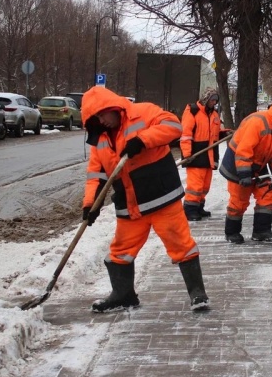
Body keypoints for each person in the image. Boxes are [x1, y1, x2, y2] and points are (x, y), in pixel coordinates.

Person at [81, 86, 209, 312]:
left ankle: (197, 293)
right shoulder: (100, 139)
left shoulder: (144, 112)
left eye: (102, 115)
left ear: (113, 107)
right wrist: (91, 204)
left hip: (161, 197)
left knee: (181, 245)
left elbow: (174, 127)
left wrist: (142, 140)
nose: (102, 121)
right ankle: (123, 295)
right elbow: (96, 175)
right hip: (130, 204)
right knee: (120, 251)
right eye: (96, 119)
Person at [219, 98, 272, 243]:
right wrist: (244, 174)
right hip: (237, 165)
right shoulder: (257, 122)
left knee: (266, 195)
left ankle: (261, 231)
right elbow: (244, 150)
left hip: (257, 166)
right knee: (239, 201)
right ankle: (232, 232)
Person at [180, 87, 230, 221]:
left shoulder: (214, 114)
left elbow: (214, 133)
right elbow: (186, 134)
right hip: (196, 153)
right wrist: (187, 154)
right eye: (212, 100)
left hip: (210, 153)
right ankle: (190, 210)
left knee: (205, 185)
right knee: (195, 185)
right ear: (206, 99)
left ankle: (199, 207)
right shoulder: (192, 111)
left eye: (216, 100)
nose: (214, 103)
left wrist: (224, 133)